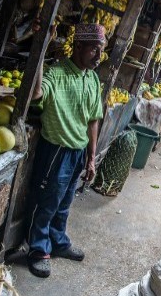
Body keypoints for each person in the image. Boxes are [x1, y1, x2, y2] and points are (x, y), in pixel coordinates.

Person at [27, 23, 104, 278]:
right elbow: (37, 93)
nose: (98, 56)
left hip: (78, 152)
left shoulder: (92, 78)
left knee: (64, 202)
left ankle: (58, 242)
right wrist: (41, 49)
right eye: (94, 49)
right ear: (78, 46)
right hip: (57, 151)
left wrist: (91, 158)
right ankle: (38, 250)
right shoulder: (57, 73)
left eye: (101, 50)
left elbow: (93, 119)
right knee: (47, 202)